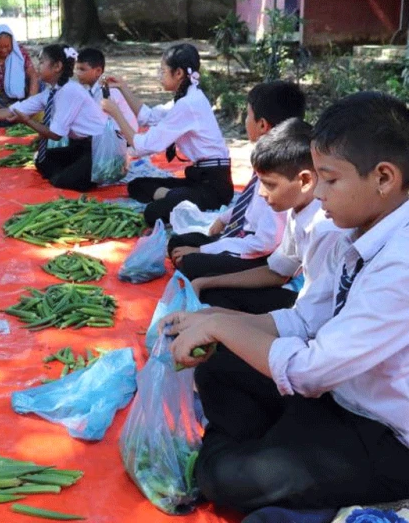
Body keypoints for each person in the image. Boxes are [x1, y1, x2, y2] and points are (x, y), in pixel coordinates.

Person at [162, 92, 409, 515]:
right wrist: (214, 318)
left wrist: (221, 326)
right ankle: (271, 458)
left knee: (229, 480)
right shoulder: (360, 232)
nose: (321, 194)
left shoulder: (399, 263)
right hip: (343, 394)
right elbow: (304, 319)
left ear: (384, 178)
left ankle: (261, 467)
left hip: (387, 434)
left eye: (330, 180)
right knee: (221, 364)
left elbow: (310, 371)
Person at [191, 119, 341, 314]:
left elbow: (313, 315)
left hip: (313, 314)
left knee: (215, 308)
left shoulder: (324, 227)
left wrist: (222, 322)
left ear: (305, 180)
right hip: (304, 306)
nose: (261, 192)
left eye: (269, 184)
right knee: (212, 293)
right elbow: (277, 272)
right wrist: (206, 282)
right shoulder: (297, 211)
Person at [167, 81, 307, 280]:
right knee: (179, 244)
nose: (245, 120)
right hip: (243, 237)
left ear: (262, 125)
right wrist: (223, 219)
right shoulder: (268, 161)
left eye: (248, 114)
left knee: (191, 262)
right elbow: (249, 205)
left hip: (260, 254)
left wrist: (205, 250)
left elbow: (264, 244)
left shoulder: (282, 177)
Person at [101, 44, 232, 226]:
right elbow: (148, 117)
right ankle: (174, 196)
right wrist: (122, 87)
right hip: (198, 178)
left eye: (162, 71)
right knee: (137, 186)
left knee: (152, 214)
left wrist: (116, 114)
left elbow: (144, 145)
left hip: (213, 186)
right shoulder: (184, 99)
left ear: (178, 73)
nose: (159, 76)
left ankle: (175, 197)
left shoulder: (188, 104)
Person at [0, 44, 108, 191]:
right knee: (42, 160)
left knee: (62, 181)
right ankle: (79, 171)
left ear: (57, 67)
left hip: (99, 147)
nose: (37, 67)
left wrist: (27, 121)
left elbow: (55, 135)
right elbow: (11, 111)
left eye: (41, 62)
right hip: (80, 145)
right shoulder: (51, 92)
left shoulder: (70, 91)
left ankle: (89, 173)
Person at [75, 47, 137, 132]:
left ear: (98, 71)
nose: (78, 73)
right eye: (77, 69)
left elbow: (94, 122)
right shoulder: (91, 88)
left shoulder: (106, 91)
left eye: (82, 69)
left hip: (119, 139)